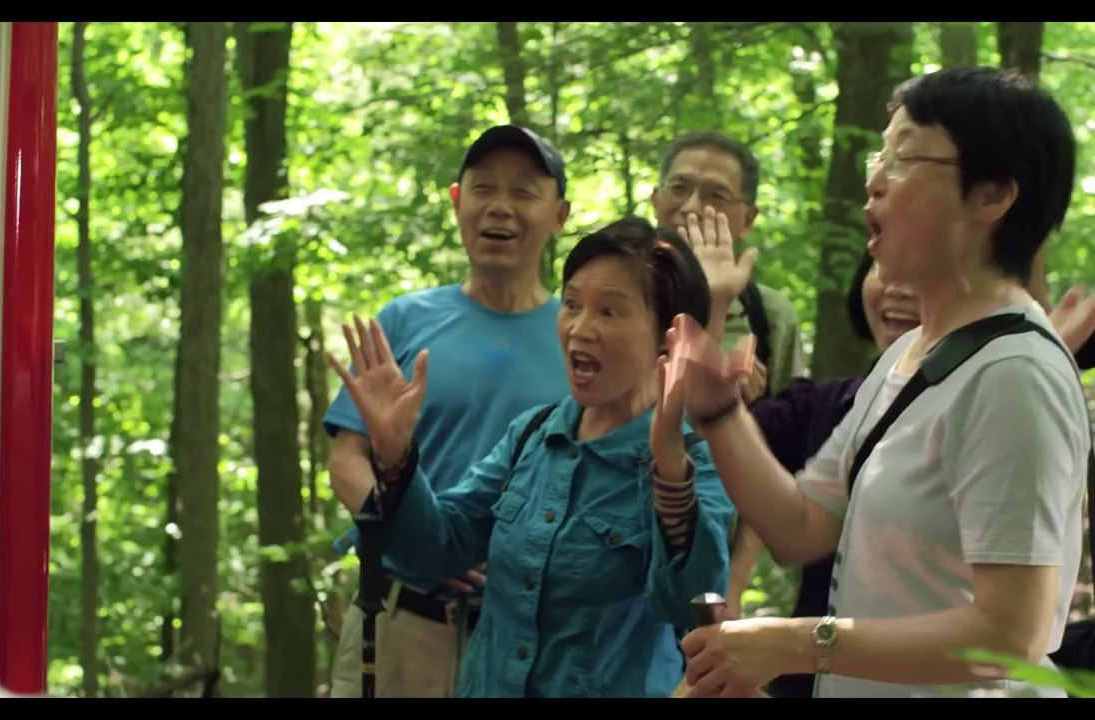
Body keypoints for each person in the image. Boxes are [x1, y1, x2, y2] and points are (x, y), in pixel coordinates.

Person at [672, 66, 1091, 698]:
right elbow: (801, 525)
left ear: (992, 196)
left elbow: (1012, 634)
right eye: (880, 156)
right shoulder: (910, 357)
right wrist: (718, 411)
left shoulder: (1015, 374)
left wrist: (794, 643)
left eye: (904, 158)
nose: (873, 180)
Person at [325, 217, 736, 697]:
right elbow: (437, 547)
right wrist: (396, 456)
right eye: (572, 304)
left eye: (609, 311)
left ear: (670, 337)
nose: (580, 328)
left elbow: (693, 609)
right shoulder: (533, 434)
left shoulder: (695, 459)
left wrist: (669, 470)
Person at [323, 125, 573, 697]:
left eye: (523, 192)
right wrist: (423, 544)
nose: (499, 207)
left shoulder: (579, 340)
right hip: (402, 623)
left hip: (530, 637)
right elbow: (346, 459)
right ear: (458, 202)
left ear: (559, 215)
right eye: (483, 188)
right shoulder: (405, 320)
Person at [651, 130, 806, 403]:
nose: (691, 207)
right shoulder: (613, 293)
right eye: (678, 189)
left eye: (716, 196)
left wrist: (736, 407)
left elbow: (792, 420)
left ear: (748, 219)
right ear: (655, 200)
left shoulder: (769, 316)